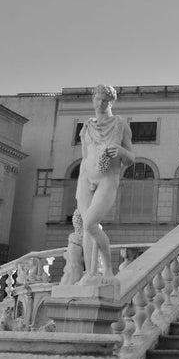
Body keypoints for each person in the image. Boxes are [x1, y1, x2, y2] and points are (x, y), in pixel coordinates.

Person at [72, 84, 133, 280]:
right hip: (85, 179)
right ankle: (90, 274)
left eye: (104, 100)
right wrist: (82, 180)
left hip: (108, 179)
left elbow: (131, 158)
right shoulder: (87, 126)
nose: (100, 103)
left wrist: (123, 152)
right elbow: (84, 157)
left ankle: (107, 268)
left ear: (111, 102)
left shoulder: (120, 125)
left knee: (90, 224)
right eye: (97, 99)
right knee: (87, 232)